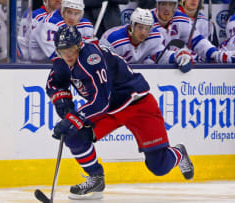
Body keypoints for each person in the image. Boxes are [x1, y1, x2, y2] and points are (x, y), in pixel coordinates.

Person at [47, 25, 194, 200]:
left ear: (79, 45)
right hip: (110, 109)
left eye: (71, 49)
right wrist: (63, 103)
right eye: (63, 51)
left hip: (136, 103)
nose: (68, 55)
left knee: (159, 166)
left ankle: (179, 153)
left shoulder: (91, 58)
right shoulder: (61, 61)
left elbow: (101, 102)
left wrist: (73, 118)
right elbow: (55, 84)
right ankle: (96, 179)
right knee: (74, 135)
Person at [99, 8, 192, 72]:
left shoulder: (154, 37)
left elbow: (161, 56)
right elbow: (103, 66)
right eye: (140, 27)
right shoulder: (112, 39)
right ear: (131, 25)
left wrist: (177, 56)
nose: (143, 32)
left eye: (147, 29)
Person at [151, 0, 235, 63]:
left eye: (170, 5)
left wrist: (214, 54)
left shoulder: (182, 19)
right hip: (156, 66)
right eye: (163, 4)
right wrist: (175, 56)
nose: (167, 9)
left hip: (186, 63)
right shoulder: (148, 20)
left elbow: (197, 40)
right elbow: (151, 53)